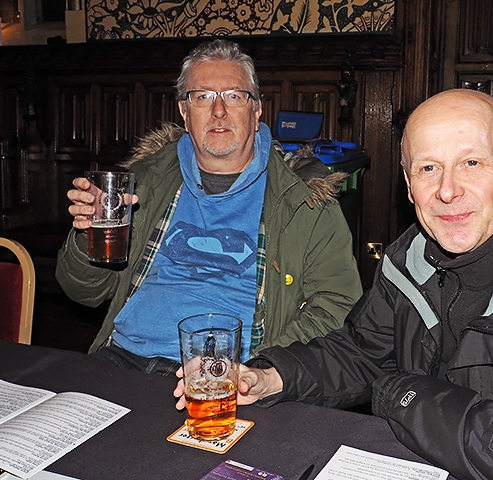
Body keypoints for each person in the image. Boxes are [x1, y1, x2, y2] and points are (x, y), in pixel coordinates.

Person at [176, 89, 493, 478]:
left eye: (471, 162)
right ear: (409, 186)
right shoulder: (410, 257)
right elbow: (361, 352)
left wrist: (398, 392)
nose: (448, 191)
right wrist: (268, 377)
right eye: (428, 169)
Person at [55, 39, 362, 374]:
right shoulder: (144, 180)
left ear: (256, 109)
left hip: (228, 374)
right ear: (184, 112)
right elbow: (84, 292)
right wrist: (87, 234)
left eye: (233, 96)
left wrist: (265, 369)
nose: (219, 111)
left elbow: (338, 305)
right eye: (203, 97)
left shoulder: (304, 197)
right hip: (124, 359)